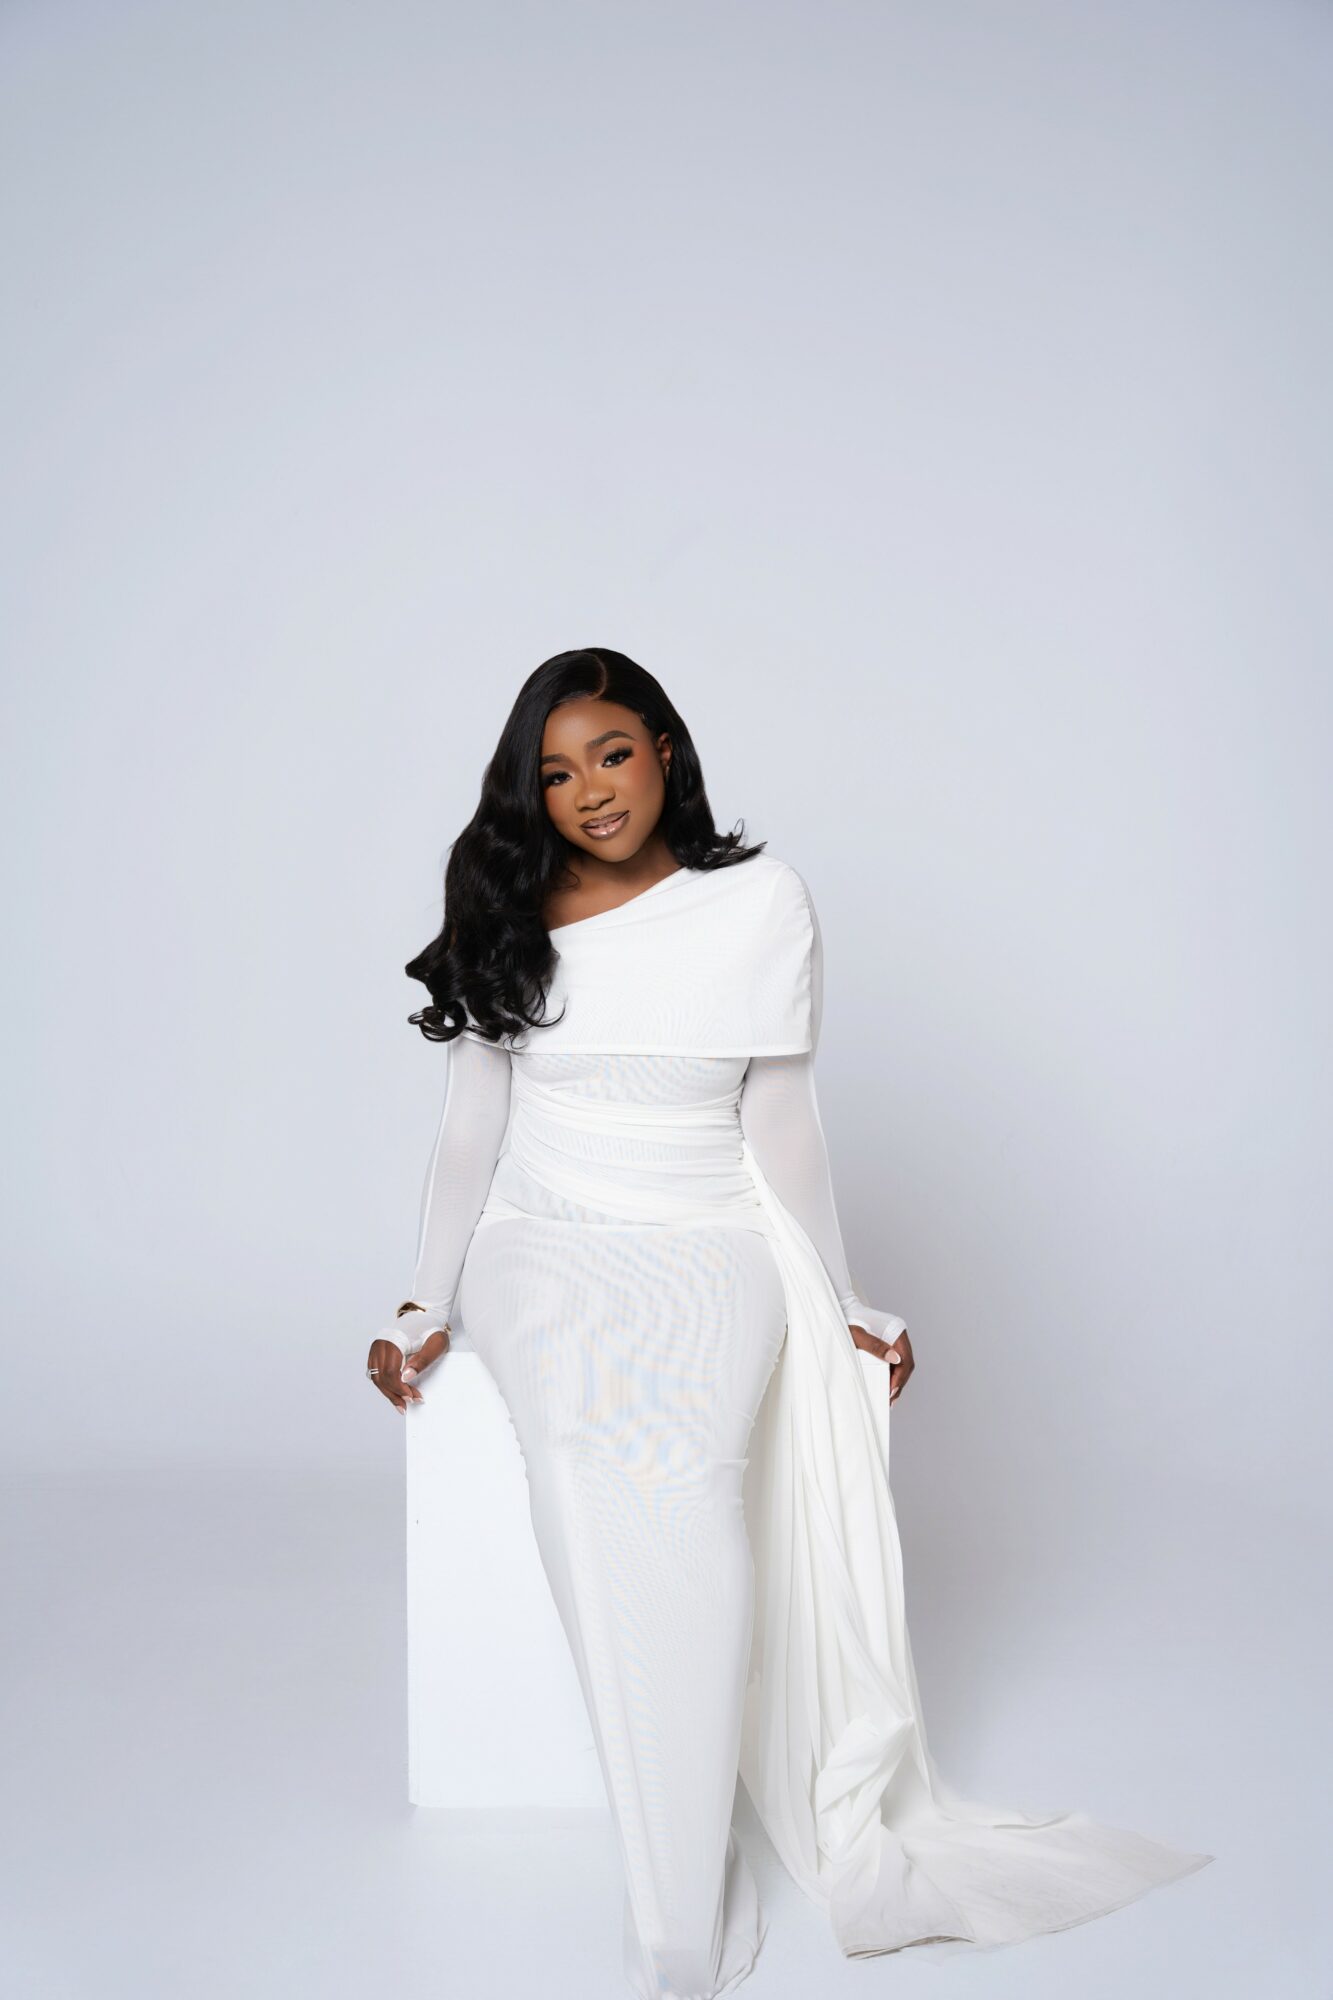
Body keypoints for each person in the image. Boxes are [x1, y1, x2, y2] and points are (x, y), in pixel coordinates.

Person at [366, 648, 1211, 2000]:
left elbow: (780, 1123)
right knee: (585, 1474)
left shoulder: (757, 903)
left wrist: (841, 1289)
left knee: (691, 1499)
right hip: (548, 1241)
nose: (589, 790)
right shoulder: (504, 905)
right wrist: (422, 1297)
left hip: (710, 1237)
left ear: (664, 750)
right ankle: (670, 1916)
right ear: (528, 793)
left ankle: (686, 1883)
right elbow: (471, 1126)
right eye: (556, 771)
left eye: (613, 754)